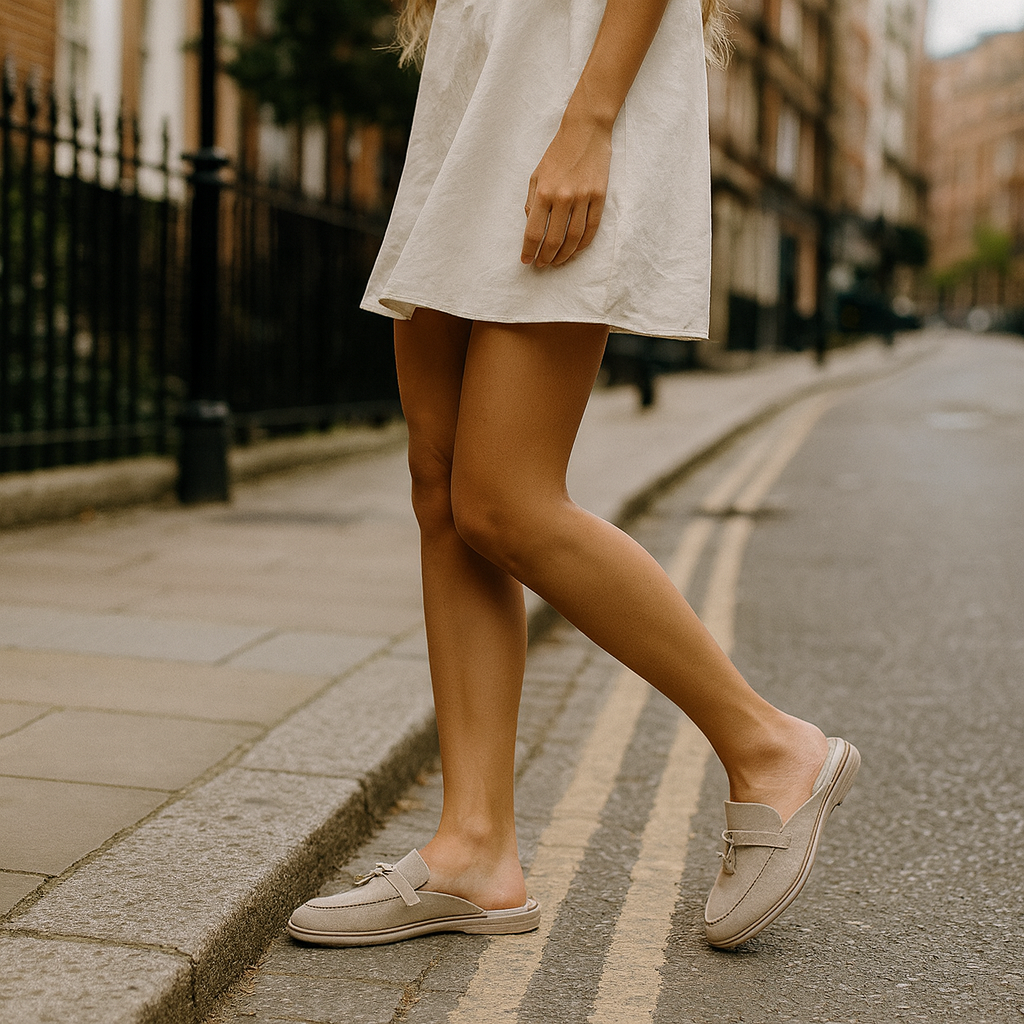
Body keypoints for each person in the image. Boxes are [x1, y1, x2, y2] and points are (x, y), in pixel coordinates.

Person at [287, 0, 859, 951]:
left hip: (569, 90)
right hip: (479, 86)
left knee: (504, 499)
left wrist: (587, 125)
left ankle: (768, 745)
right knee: (441, 488)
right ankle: (475, 852)